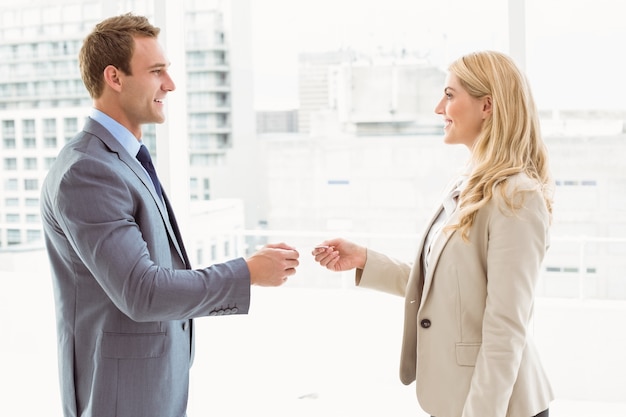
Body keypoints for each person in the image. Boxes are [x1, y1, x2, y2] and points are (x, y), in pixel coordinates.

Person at [40, 13, 299, 417]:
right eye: (157, 71)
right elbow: (143, 292)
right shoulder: (87, 171)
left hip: (151, 386)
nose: (171, 85)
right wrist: (247, 272)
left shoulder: (123, 160)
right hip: (118, 398)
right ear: (115, 77)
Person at [312, 50, 554, 417]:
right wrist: (364, 259)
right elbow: (445, 286)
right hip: (458, 397)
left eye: (450, 94)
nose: (439, 107)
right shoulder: (468, 183)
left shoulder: (516, 196)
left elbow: (506, 325)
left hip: (499, 407)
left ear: (487, 106)